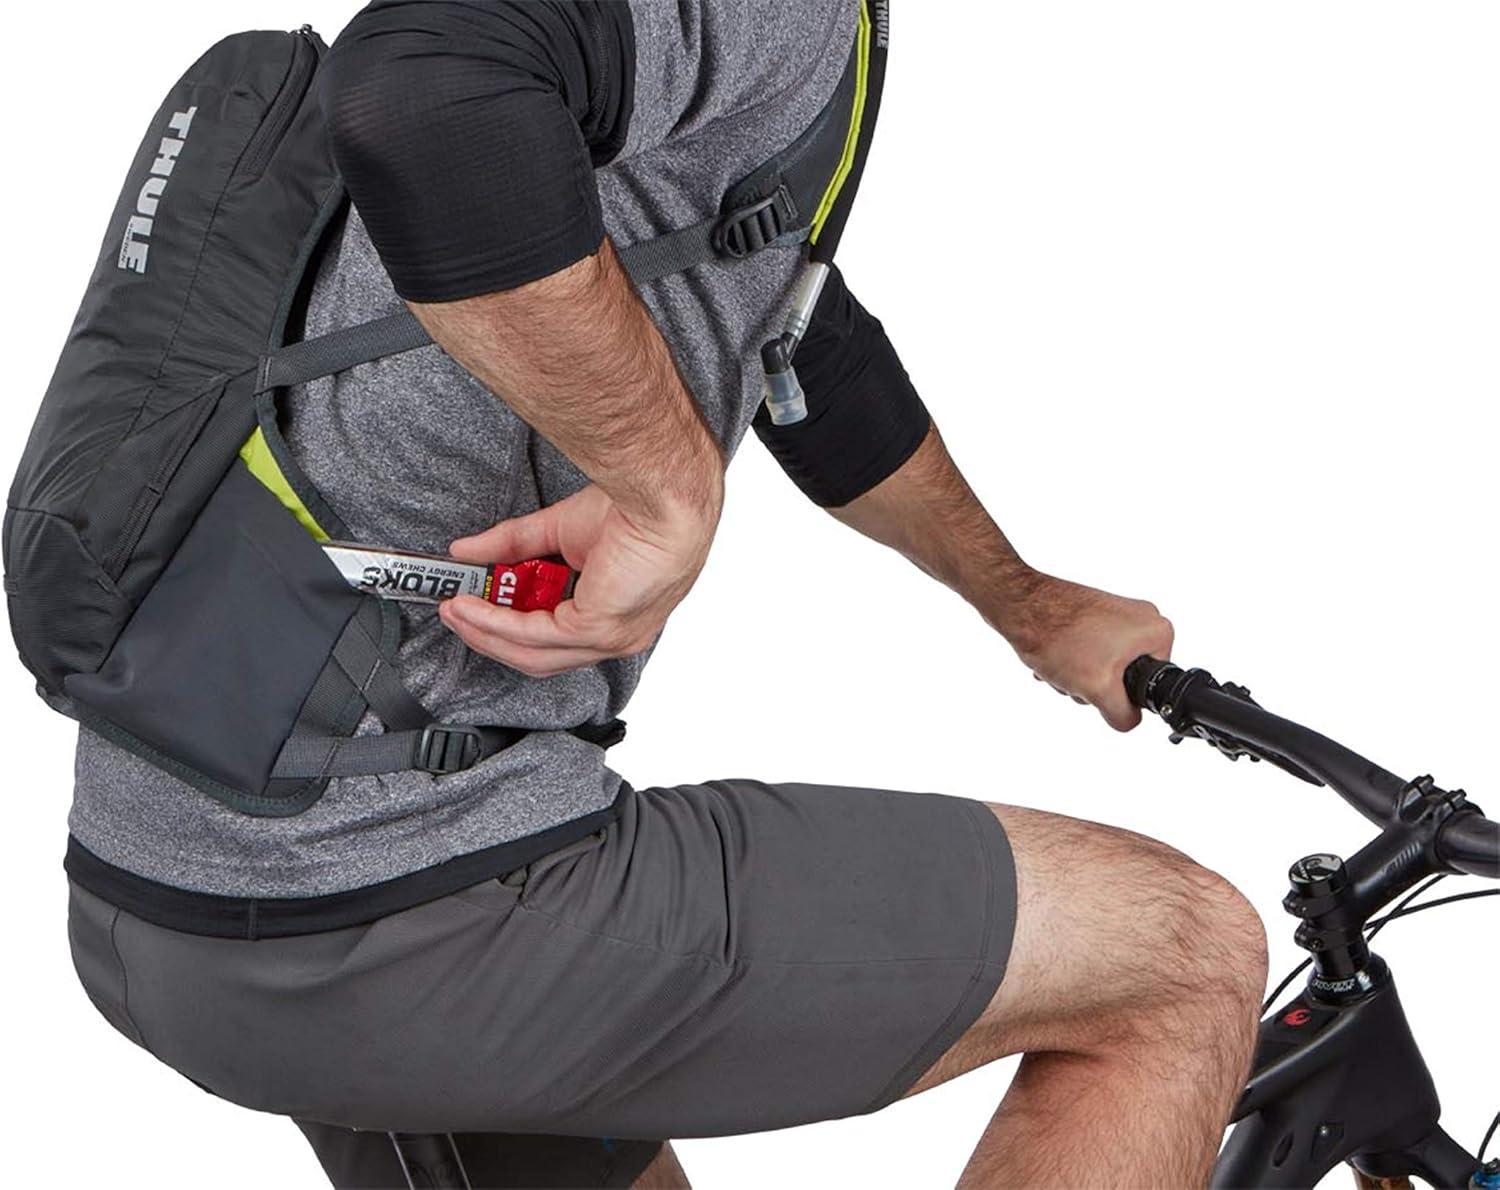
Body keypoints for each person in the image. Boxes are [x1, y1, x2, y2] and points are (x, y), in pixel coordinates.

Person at [63, 2, 1269, 1186]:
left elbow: (785, 322)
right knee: (1179, 956)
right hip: (395, 888)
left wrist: (1029, 605)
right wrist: (665, 485)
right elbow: (421, 88)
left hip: (169, 879)